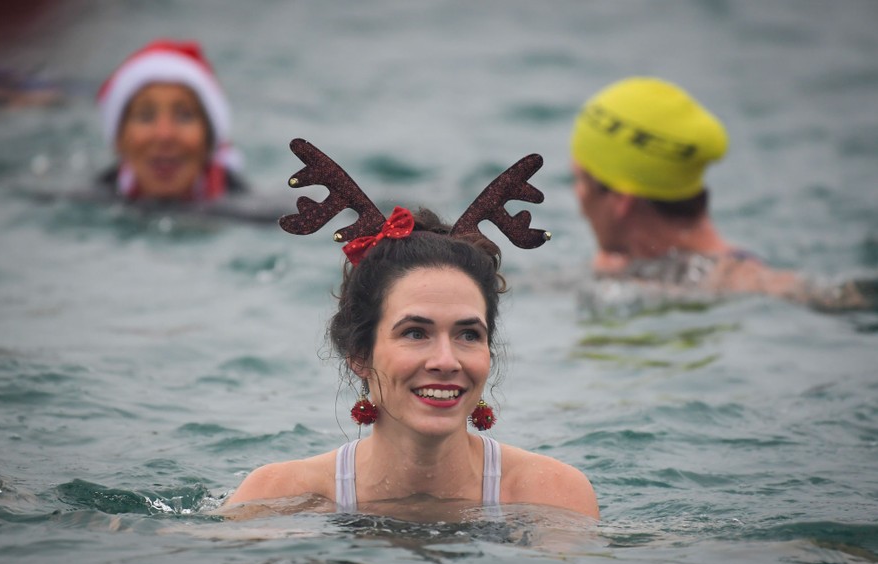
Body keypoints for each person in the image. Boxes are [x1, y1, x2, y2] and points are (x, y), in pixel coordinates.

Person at [224, 139, 599, 519]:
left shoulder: (551, 496)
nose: (445, 360)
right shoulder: (277, 499)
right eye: (415, 333)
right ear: (359, 354)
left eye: (469, 334)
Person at [569, 76, 872, 310]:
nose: (578, 198)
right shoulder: (622, 270)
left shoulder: (750, 285)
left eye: (581, 181)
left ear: (621, 202)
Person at [96, 39, 246, 202]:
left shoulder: (251, 211)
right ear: (119, 139)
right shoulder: (88, 201)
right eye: (145, 116)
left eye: (185, 116)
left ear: (210, 139)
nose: (164, 135)